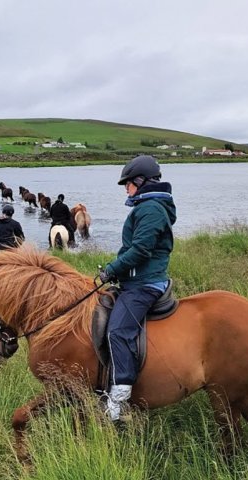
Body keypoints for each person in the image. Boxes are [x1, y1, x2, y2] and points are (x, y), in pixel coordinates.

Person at [99, 155, 176, 421]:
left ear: (141, 181)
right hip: (136, 279)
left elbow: (141, 250)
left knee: (118, 331)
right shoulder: (148, 206)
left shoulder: (151, 209)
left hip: (144, 284)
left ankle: (119, 399)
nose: (126, 188)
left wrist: (112, 269)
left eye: (128, 183)